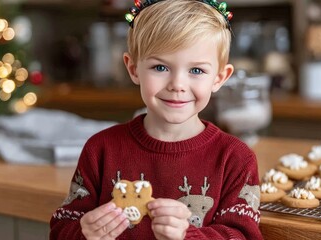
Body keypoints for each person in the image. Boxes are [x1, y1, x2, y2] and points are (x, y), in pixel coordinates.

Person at [49, 0, 262, 239]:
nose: (177, 85)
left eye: (196, 70)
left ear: (219, 77)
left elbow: (244, 235)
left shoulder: (236, 159)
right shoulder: (100, 149)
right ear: (133, 69)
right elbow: (61, 228)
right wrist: (84, 233)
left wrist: (187, 236)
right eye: (160, 67)